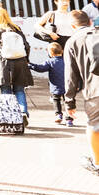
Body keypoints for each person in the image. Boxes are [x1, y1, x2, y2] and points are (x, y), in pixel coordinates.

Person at [63, 11, 99, 176]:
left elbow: (70, 76)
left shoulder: (72, 42)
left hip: (94, 92)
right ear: (90, 22)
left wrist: (69, 102)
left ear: (72, 26)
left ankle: (97, 163)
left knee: (94, 126)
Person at [0, 6, 33, 124]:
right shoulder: (16, 28)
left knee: (6, 89)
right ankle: (23, 112)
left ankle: (10, 117)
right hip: (20, 61)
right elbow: (26, 46)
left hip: (3, 63)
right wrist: (26, 60)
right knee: (19, 89)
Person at [30, 41, 73, 126]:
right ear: (62, 51)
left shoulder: (50, 61)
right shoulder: (67, 61)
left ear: (50, 53)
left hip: (56, 86)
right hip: (68, 86)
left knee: (56, 100)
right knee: (68, 102)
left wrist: (30, 65)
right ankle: (69, 120)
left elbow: (40, 68)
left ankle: (59, 115)